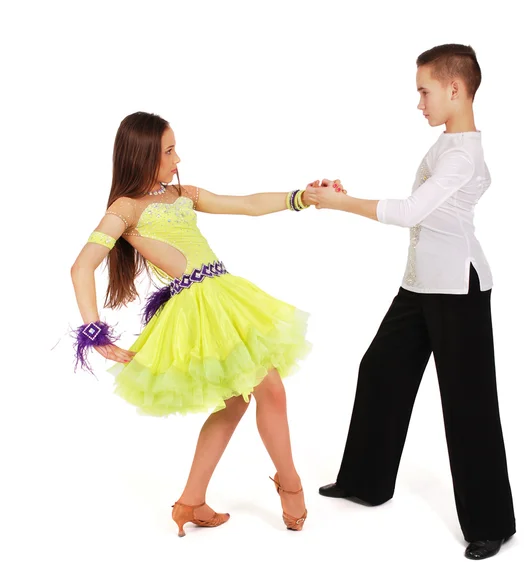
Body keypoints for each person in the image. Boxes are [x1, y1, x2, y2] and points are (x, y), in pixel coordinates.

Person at [70, 111, 345, 537]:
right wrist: (94, 331)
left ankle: (190, 501)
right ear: (142, 155)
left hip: (224, 294)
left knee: (236, 402)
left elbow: (247, 204)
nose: (177, 158)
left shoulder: (183, 193)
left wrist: (302, 196)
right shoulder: (125, 209)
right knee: (269, 387)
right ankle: (289, 482)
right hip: (198, 308)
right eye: (168, 150)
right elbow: (82, 266)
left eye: (174, 148)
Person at [304, 44, 516, 560]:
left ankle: (491, 524)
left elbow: (410, 211)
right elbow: (421, 213)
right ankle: (366, 481)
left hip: (458, 289)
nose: (418, 102)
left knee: (468, 404)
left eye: (424, 91)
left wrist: (339, 203)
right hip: (421, 284)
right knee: (380, 370)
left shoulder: (463, 151)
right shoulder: (448, 145)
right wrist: (346, 196)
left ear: (455, 88)